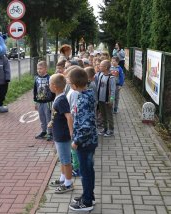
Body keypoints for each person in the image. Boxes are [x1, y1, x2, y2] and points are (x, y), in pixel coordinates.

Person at [68, 67, 98, 211]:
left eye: (69, 82)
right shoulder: (88, 94)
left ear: (74, 85)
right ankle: (89, 195)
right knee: (89, 170)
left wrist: (76, 141)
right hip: (90, 141)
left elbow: (85, 126)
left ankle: (87, 202)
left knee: (85, 173)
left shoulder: (83, 99)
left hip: (85, 143)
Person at [48, 73, 74, 194]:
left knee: (66, 160)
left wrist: (71, 132)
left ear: (54, 86)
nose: (48, 86)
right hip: (58, 134)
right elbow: (57, 114)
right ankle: (63, 178)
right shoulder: (58, 97)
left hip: (63, 136)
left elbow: (68, 116)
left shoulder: (62, 99)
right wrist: (52, 122)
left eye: (49, 84)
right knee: (62, 158)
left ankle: (68, 183)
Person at [34, 61, 55, 141]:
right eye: (38, 68)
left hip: (48, 102)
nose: (39, 70)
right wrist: (35, 101)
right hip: (39, 102)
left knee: (48, 117)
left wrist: (52, 100)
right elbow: (35, 90)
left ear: (46, 69)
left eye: (41, 68)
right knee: (42, 117)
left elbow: (52, 91)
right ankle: (43, 131)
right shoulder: (36, 78)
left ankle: (50, 132)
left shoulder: (49, 78)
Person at [97, 60, 116, 137]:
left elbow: (113, 90)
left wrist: (111, 100)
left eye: (101, 66)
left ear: (106, 67)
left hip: (107, 101)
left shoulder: (111, 78)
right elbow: (98, 87)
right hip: (100, 99)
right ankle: (105, 129)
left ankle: (111, 130)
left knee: (109, 115)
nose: (99, 67)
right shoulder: (101, 75)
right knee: (103, 115)